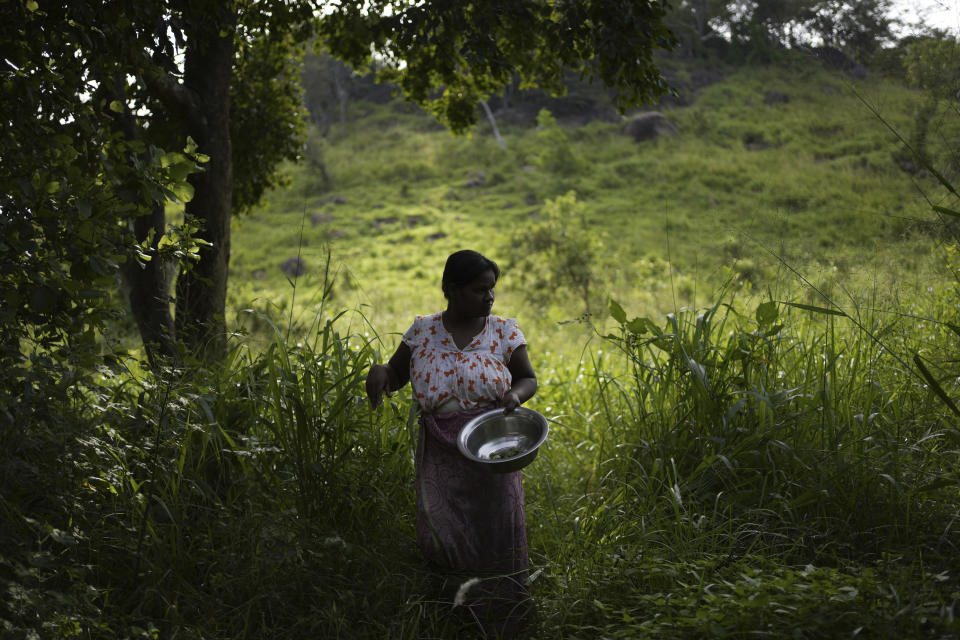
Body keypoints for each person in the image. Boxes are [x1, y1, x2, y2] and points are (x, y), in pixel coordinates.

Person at [365, 249, 537, 638]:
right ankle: (453, 613)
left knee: (498, 531)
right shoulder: (422, 331)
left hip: (492, 445)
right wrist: (380, 374)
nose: (489, 298)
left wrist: (515, 397)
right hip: (440, 452)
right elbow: (395, 374)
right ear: (451, 290)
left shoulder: (504, 331)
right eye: (480, 290)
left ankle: (503, 616)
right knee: (444, 533)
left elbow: (528, 378)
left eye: (492, 289)